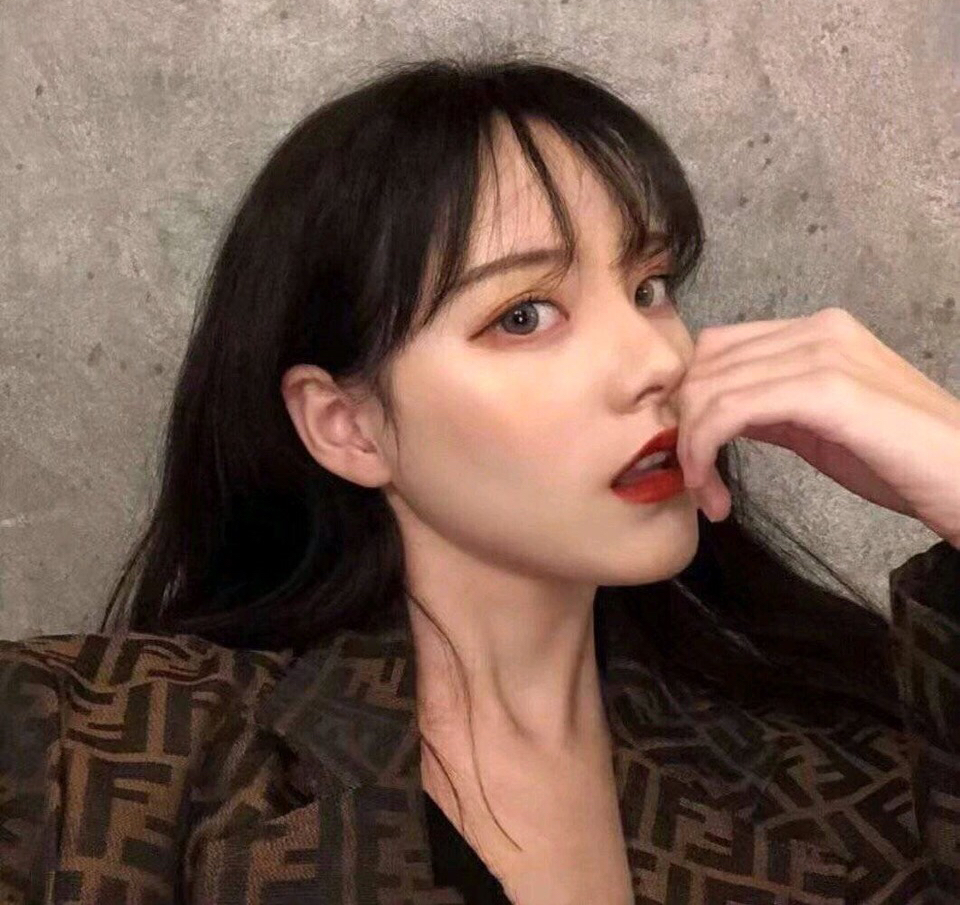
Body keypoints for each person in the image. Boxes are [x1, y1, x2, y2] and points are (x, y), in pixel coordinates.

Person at [1, 55, 958, 905]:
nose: (657, 360)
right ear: (347, 427)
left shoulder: (859, 767)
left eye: (649, 288)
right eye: (525, 315)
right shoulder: (79, 758)